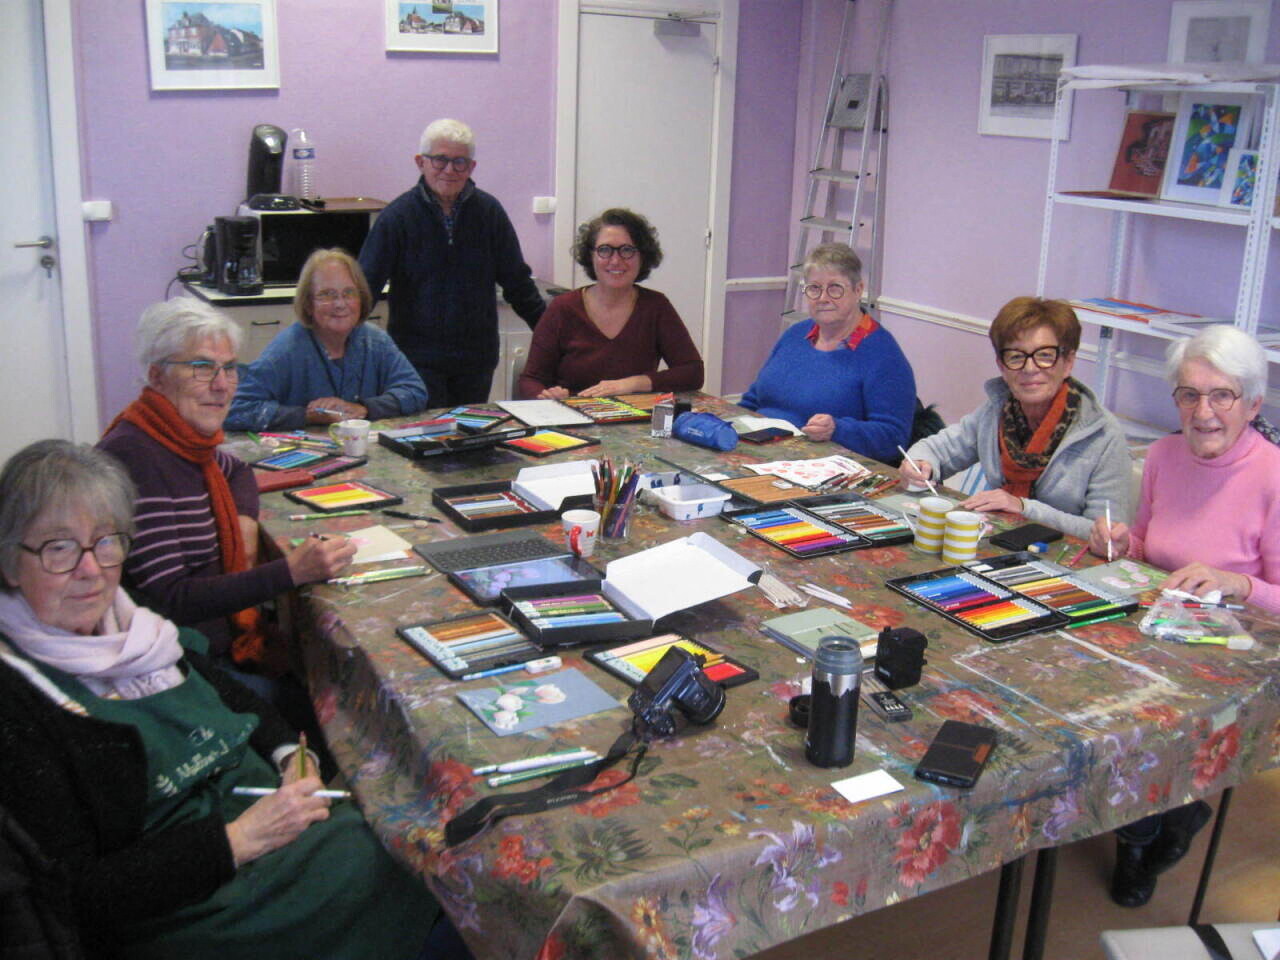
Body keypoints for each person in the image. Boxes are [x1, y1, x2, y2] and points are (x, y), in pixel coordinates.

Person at [0, 440, 452, 959]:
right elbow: (75, 897)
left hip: (270, 824)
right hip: (194, 901)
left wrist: (290, 757)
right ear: (10, 562)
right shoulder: (17, 702)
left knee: (414, 839)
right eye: (59, 548)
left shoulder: (132, 618)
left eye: (106, 542)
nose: (91, 570)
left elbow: (233, 695)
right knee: (415, 877)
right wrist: (239, 839)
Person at [1087, 326, 1279, 907]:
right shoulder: (1165, 455)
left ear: (1253, 404)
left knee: (1140, 718)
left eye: (1221, 395)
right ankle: (1162, 810)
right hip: (1157, 624)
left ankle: (1139, 841)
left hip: (1236, 646)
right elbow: (1148, 544)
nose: (1204, 412)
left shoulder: (1273, 475)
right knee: (1084, 680)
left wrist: (1235, 582)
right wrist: (1120, 543)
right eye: (1189, 395)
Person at [98, 298, 356, 682]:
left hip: (216, 637)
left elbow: (236, 470)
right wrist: (290, 571)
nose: (221, 386)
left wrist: (244, 522)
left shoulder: (183, 439)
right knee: (332, 676)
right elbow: (172, 599)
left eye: (230, 368)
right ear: (157, 376)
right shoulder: (137, 457)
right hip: (184, 660)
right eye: (202, 368)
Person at [901, 296, 1131, 539]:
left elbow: (1105, 536)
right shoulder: (997, 409)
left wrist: (1024, 507)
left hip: (1064, 560)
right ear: (1001, 365)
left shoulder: (1103, 435)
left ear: (1068, 362)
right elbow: (935, 450)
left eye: (1044, 355)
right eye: (1016, 357)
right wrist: (919, 464)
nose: (1030, 369)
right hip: (1004, 542)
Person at [359, 118, 545, 407]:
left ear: (471, 167)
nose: (449, 170)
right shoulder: (397, 218)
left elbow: (517, 282)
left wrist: (553, 336)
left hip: (477, 359)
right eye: (440, 160)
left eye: (459, 162)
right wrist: (338, 340)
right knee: (427, 439)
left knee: (467, 438)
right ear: (420, 162)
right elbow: (364, 288)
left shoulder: (489, 212)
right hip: (415, 360)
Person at [738, 243, 916, 463]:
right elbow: (753, 400)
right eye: (814, 288)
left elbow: (893, 440)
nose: (823, 298)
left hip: (822, 467)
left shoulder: (882, 354)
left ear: (858, 290)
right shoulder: (795, 335)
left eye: (835, 288)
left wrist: (837, 429)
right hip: (760, 452)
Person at [225, 249, 428, 431]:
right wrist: (305, 415)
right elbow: (236, 409)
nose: (340, 304)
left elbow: (414, 391)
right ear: (308, 304)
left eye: (348, 293)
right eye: (326, 294)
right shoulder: (287, 350)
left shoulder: (375, 341)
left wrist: (363, 408)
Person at [516, 208, 704, 399]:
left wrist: (633, 383)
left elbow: (693, 372)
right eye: (604, 250)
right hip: (571, 418)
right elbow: (529, 380)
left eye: (627, 250)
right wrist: (546, 397)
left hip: (634, 421)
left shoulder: (656, 306)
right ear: (591, 256)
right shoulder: (562, 308)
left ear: (642, 257)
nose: (615, 260)